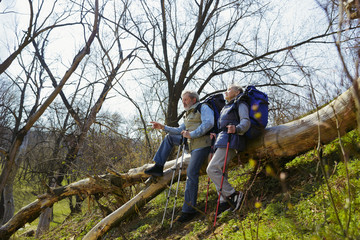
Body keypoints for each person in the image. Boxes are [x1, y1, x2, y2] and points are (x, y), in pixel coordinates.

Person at [144, 89, 214, 223]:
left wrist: (191, 135)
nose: (183, 103)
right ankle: (158, 166)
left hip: (202, 145)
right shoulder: (188, 114)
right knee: (170, 137)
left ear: (193, 99)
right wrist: (163, 127)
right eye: (182, 101)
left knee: (191, 173)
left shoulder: (203, 108)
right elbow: (178, 130)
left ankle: (189, 210)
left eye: (185, 100)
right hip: (191, 144)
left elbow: (209, 123)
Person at [206, 84, 250, 216]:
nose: (226, 91)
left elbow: (246, 122)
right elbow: (223, 126)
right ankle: (224, 201)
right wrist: (216, 134)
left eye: (229, 89)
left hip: (232, 139)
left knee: (211, 169)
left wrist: (237, 129)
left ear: (237, 92)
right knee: (221, 171)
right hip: (223, 139)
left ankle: (233, 194)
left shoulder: (240, 103)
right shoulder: (227, 106)